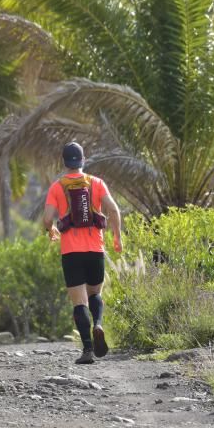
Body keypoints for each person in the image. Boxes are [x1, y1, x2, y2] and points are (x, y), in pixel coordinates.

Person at [43, 142, 122, 364]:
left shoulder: (57, 187)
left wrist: (51, 230)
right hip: (95, 249)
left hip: (71, 253)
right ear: (83, 160)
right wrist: (117, 237)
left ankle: (87, 350)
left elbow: (48, 218)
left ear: (64, 162)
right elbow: (114, 210)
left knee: (79, 303)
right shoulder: (96, 183)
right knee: (95, 294)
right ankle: (98, 323)